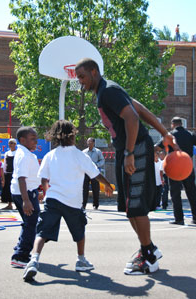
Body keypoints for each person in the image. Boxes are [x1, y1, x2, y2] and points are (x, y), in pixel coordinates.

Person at [75, 58, 178, 275]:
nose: (80, 82)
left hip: (135, 148)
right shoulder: (107, 90)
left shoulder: (108, 91)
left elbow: (132, 117)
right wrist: (164, 132)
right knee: (130, 206)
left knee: (137, 206)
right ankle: (147, 248)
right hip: (128, 149)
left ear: (94, 71)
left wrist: (130, 152)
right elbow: (138, 107)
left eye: (82, 76)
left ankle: (149, 256)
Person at [23, 120, 113, 281]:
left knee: (42, 232)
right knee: (79, 231)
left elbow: (44, 179)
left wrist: (47, 192)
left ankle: (34, 260)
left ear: (55, 136)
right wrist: (107, 185)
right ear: (72, 135)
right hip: (73, 201)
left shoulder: (50, 155)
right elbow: (95, 174)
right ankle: (81, 260)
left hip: (53, 200)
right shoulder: (79, 155)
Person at [156, 116, 196, 225]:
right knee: (192, 192)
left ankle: (179, 219)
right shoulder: (190, 134)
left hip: (173, 167)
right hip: (187, 166)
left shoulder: (170, 135)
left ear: (172, 124)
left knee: (175, 193)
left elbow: (158, 147)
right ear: (181, 124)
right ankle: (195, 217)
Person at [11, 127, 40, 268]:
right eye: (33, 138)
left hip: (26, 192)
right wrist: (26, 200)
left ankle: (20, 248)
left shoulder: (25, 153)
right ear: (22, 140)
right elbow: (21, 179)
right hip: (25, 193)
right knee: (31, 224)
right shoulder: (24, 155)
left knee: (30, 223)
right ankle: (20, 256)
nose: (36, 141)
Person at [83, 137, 105, 209]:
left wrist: (96, 164)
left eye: (90, 142)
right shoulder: (84, 152)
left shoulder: (98, 152)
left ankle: (95, 204)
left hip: (95, 172)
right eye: (88, 142)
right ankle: (83, 205)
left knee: (95, 189)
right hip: (86, 172)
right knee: (84, 189)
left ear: (94, 143)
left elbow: (102, 161)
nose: (89, 143)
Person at [1, 138, 17, 210]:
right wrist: (3, 173)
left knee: (16, 189)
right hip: (7, 173)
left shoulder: (17, 153)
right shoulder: (7, 153)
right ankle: (9, 204)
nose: (10, 144)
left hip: (15, 174)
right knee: (8, 189)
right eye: (9, 143)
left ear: (15, 144)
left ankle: (17, 205)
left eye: (11, 143)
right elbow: (5, 164)